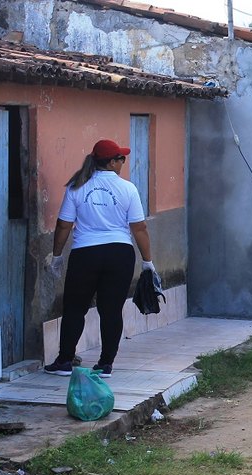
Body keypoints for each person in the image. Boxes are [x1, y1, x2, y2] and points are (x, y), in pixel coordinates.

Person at [45, 139, 155, 377]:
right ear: (112, 162)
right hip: (119, 254)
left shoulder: (76, 186)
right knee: (111, 310)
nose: (123, 162)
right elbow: (139, 228)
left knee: (74, 308)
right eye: (121, 159)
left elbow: (63, 225)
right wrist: (148, 261)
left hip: (85, 254)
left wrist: (57, 256)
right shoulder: (128, 189)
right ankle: (105, 364)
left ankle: (64, 361)